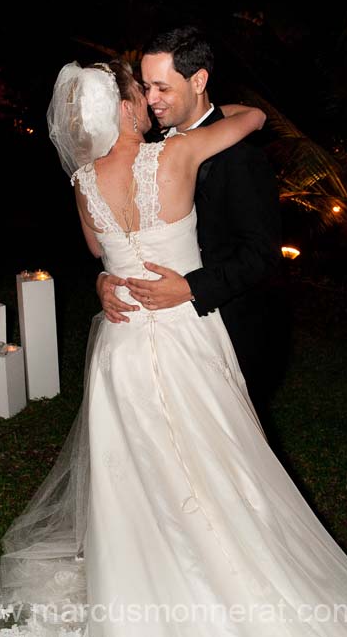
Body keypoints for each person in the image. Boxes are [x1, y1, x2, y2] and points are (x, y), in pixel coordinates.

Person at [0, 60, 347, 637]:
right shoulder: (177, 156)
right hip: (186, 335)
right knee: (216, 464)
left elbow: (98, 250)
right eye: (142, 95)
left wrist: (108, 279)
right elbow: (252, 117)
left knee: (131, 479)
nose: (153, 102)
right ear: (127, 110)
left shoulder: (82, 183)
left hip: (122, 346)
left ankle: (135, 595)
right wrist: (186, 124)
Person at [97, 25, 290, 425]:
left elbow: (261, 255)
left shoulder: (241, 157)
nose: (150, 100)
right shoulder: (149, 152)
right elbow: (127, 233)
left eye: (162, 88)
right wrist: (106, 277)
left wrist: (189, 288)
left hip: (233, 334)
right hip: (164, 344)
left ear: (199, 79)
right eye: (146, 87)